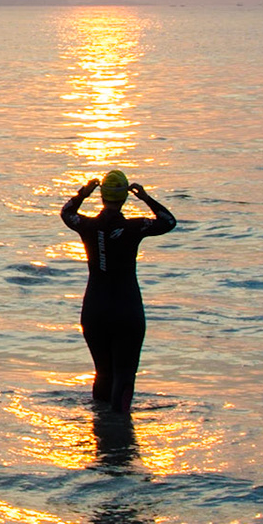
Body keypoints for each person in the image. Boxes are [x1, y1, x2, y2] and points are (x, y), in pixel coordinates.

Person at [60, 170, 177, 413]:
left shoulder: (88, 226)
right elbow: (169, 221)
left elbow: (67, 212)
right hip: (127, 309)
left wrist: (83, 193)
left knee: (103, 373)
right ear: (124, 196)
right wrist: (145, 197)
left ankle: (102, 429)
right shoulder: (134, 227)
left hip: (95, 309)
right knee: (124, 373)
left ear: (102, 196)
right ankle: (121, 430)